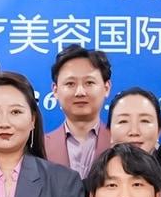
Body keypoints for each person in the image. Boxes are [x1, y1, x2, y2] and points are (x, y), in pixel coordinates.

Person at [43, 44, 112, 176]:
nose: (80, 92)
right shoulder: (39, 147)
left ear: (106, 88)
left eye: (89, 83)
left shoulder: (120, 142)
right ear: (55, 90)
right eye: (70, 84)